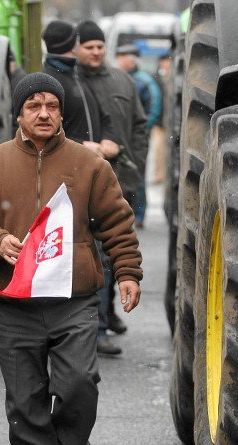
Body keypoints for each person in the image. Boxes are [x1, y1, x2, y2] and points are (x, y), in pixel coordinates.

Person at [0, 72, 142, 445]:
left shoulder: (89, 165)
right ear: (18, 114)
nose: (44, 113)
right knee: (24, 394)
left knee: (79, 382)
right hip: (15, 301)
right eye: (34, 106)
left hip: (73, 300)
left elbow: (116, 222)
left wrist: (128, 273)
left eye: (52, 106)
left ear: (61, 113)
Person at [76, 20, 148, 355]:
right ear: (77, 48)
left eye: (99, 47)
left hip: (122, 179)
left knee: (118, 250)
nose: (95, 52)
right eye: (88, 47)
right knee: (97, 256)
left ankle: (108, 313)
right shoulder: (72, 84)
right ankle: (98, 325)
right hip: (86, 184)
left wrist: (137, 166)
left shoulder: (123, 81)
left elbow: (139, 126)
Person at [40, 20, 120, 159]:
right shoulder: (47, 82)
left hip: (89, 165)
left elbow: (103, 116)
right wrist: (80, 145)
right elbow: (42, 134)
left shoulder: (78, 75)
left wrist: (108, 138)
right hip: (65, 167)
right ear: (72, 47)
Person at [115, 43, 164, 223]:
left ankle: (139, 214)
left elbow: (154, 107)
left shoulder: (144, 81)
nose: (123, 61)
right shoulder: (115, 78)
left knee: (137, 172)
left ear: (133, 60)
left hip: (137, 137)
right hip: (118, 135)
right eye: (120, 58)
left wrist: (142, 129)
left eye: (126, 58)